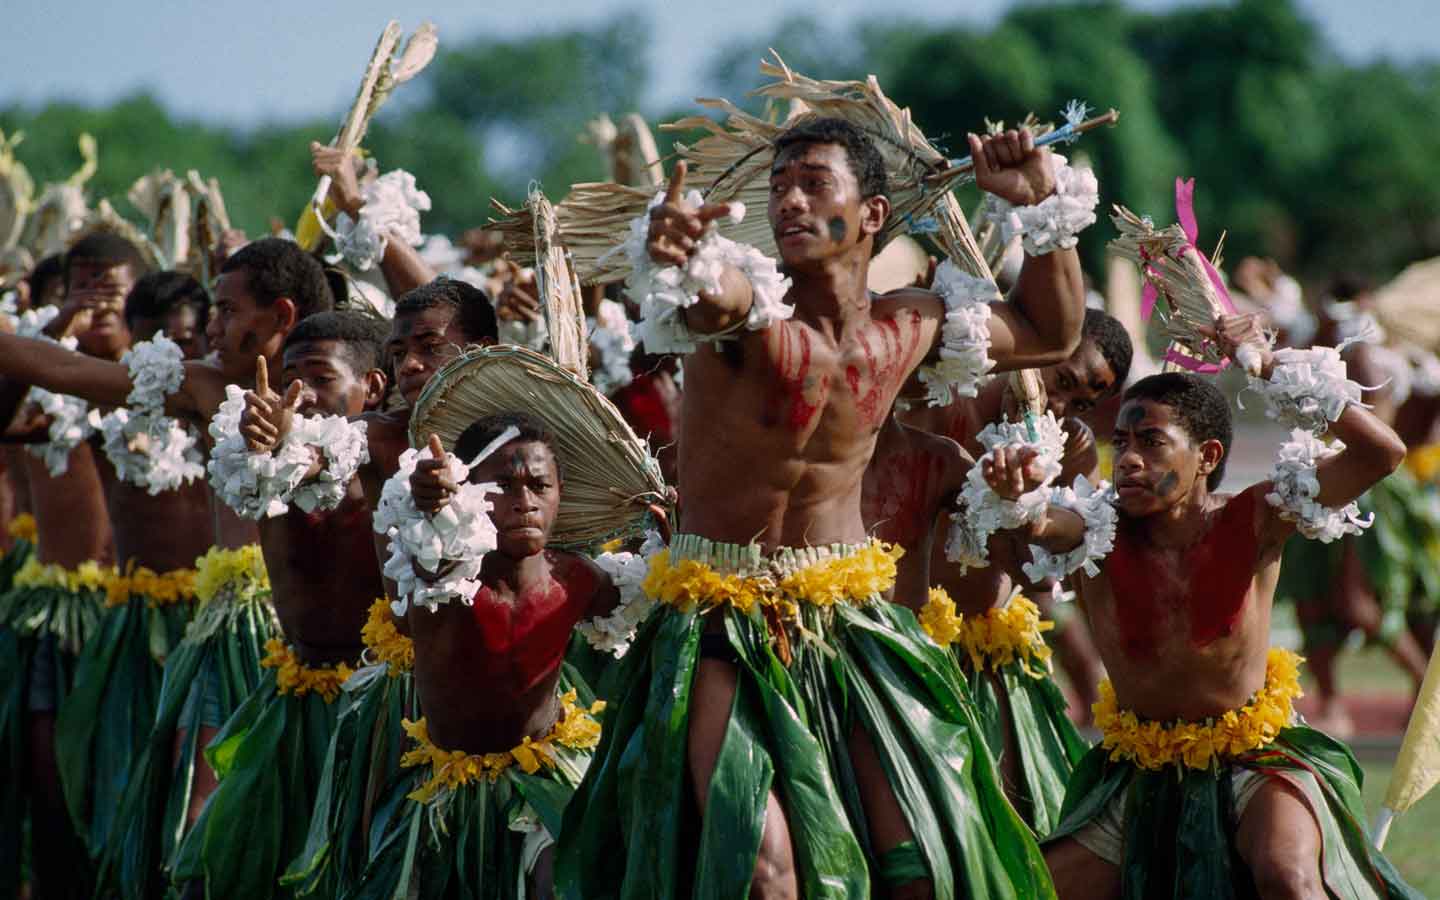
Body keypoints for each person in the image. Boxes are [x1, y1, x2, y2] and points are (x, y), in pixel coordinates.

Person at [561, 116, 1089, 899]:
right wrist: (683, 255)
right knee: (765, 868)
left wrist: (1039, 204)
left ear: (873, 215)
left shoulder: (909, 325)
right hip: (720, 624)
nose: (790, 205)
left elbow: (1052, 332)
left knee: (918, 861)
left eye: (815, 184)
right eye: (779, 188)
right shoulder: (751, 317)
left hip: (853, 622)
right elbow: (716, 298)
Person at [983, 314, 1422, 897]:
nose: (1130, 460)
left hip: (1257, 758)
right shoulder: (1097, 527)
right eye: (1125, 443)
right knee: (1032, 890)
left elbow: (1381, 453)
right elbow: (1043, 523)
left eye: (1152, 442)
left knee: (1288, 877)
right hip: (1142, 771)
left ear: (1207, 456)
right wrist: (1019, 502)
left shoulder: (1258, 516)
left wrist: (1269, 366)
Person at [0, 237, 334, 896]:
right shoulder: (205, 385)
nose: (211, 324)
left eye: (226, 308)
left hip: (315, 647)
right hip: (228, 630)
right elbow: (65, 371)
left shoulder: (341, 388)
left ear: (282, 317)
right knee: (198, 815)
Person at [351, 414, 619, 898]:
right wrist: (427, 501)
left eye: (540, 486)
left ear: (561, 492)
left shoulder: (579, 579)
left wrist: (674, 533)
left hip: (547, 777)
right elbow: (426, 559)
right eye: (504, 486)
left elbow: (641, 599)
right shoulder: (442, 575)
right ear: (467, 493)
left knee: (558, 885)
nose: (525, 503)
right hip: (444, 791)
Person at [172, 309, 391, 900]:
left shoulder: (393, 451)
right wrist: (269, 443)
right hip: (291, 697)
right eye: (291, 377)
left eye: (321, 378)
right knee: (216, 867)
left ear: (371, 385)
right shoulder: (256, 453)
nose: (303, 396)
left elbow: (331, 456)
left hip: (380, 709)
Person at [55, 269, 217, 866]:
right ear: (134, 340)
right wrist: (55, 324)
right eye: (160, 340)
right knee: (132, 789)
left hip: (222, 632)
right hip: (135, 633)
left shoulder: (232, 403)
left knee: (199, 797)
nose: (178, 353)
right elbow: (22, 401)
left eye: (190, 337)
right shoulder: (108, 411)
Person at [0, 231, 140, 899]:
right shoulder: (35, 377)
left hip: (135, 617)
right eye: (79, 286)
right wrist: (57, 326)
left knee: (126, 780)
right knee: (50, 778)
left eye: (109, 287)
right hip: (53, 616)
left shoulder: (167, 377)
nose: (95, 301)